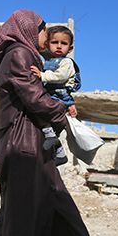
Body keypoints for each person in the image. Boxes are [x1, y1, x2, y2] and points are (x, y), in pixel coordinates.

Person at [0, 10, 101, 236]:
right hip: (24, 147)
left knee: (47, 213)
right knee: (23, 222)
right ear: (32, 29)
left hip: (31, 144)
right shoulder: (21, 54)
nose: (48, 38)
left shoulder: (30, 57)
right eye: (45, 31)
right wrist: (63, 112)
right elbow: (35, 100)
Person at [30, 26, 81, 166]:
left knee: (40, 112)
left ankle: (52, 137)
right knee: (46, 127)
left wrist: (42, 75)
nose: (59, 46)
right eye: (54, 42)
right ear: (47, 45)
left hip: (59, 95)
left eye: (63, 43)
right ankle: (60, 153)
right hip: (53, 94)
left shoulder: (67, 62)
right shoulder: (47, 61)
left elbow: (60, 76)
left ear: (70, 49)